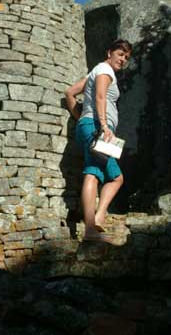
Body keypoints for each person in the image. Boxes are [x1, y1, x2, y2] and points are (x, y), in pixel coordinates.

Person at [65, 39, 132, 244]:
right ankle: (90, 230)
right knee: (93, 173)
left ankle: (99, 216)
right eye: (120, 54)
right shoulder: (104, 69)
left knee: (115, 177)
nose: (123, 60)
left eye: (126, 57)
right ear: (109, 52)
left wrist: (81, 117)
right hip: (97, 127)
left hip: (91, 125)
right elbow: (101, 97)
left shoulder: (96, 71)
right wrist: (102, 125)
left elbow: (70, 93)